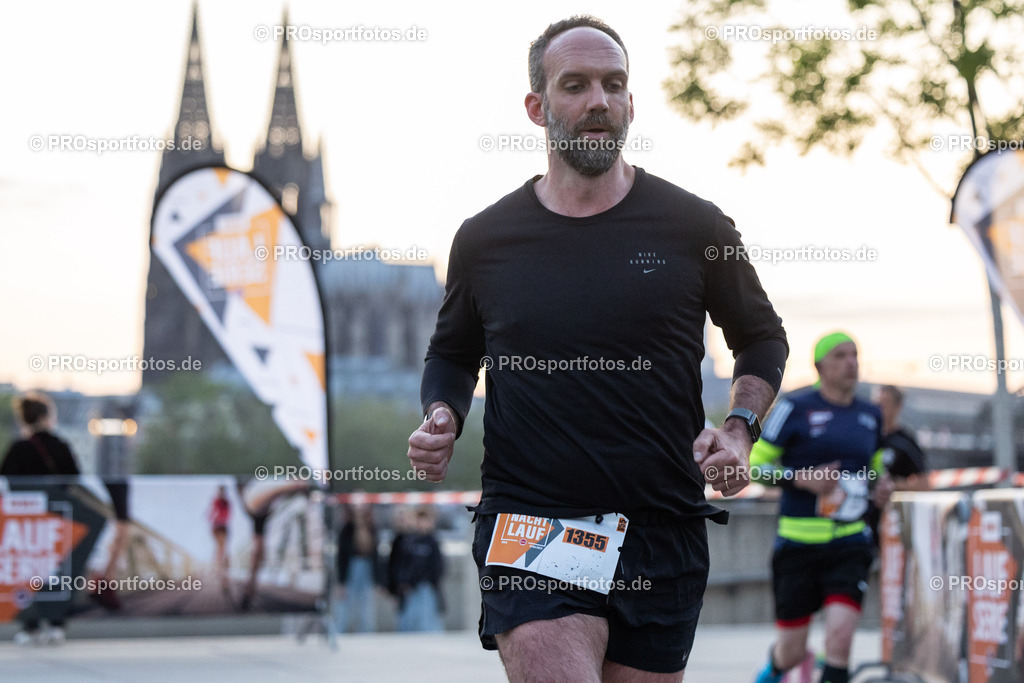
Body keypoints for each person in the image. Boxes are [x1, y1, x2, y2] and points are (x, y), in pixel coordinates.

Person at [407, 15, 788, 682]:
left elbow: (760, 337)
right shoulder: (486, 240)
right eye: (575, 85)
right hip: (533, 520)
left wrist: (739, 431)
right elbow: (452, 354)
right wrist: (443, 413)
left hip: (663, 526)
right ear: (537, 106)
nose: (598, 102)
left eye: (614, 86)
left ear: (631, 103)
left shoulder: (694, 226)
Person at [750, 333, 891, 683]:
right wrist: (800, 479)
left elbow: (874, 469)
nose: (851, 363)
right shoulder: (794, 407)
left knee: (839, 641)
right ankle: (774, 671)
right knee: (792, 652)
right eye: (841, 355)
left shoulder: (870, 414)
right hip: (797, 545)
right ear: (820, 366)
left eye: (855, 355)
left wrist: (881, 484)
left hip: (850, 542)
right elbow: (751, 467)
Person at [1, 392, 81, 645]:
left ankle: (30, 624)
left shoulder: (19, 448)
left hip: (28, 524)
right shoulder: (61, 446)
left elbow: (8, 480)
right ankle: (56, 624)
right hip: (57, 521)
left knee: (28, 569)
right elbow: (74, 479)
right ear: (46, 416)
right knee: (58, 570)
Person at [864, 385, 929, 549]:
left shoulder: (905, 442)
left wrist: (894, 486)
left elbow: (924, 485)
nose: (879, 409)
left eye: (884, 404)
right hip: (859, 526)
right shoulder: (864, 436)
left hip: (891, 528)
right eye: (876, 403)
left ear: (897, 406)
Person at [387, 506, 444, 632]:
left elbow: (438, 566)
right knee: (408, 622)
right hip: (409, 589)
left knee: (427, 622)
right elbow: (400, 565)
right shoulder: (408, 541)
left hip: (426, 586)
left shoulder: (432, 542)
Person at [334, 502, 382, 633]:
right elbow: (341, 557)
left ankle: (366, 633)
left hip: (366, 568)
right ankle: (339, 632)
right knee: (344, 605)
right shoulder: (346, 529)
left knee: (367, 606)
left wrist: (378, 581)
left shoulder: (371, 528)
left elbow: (375, 556)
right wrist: (341, 582)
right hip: (351, 568)